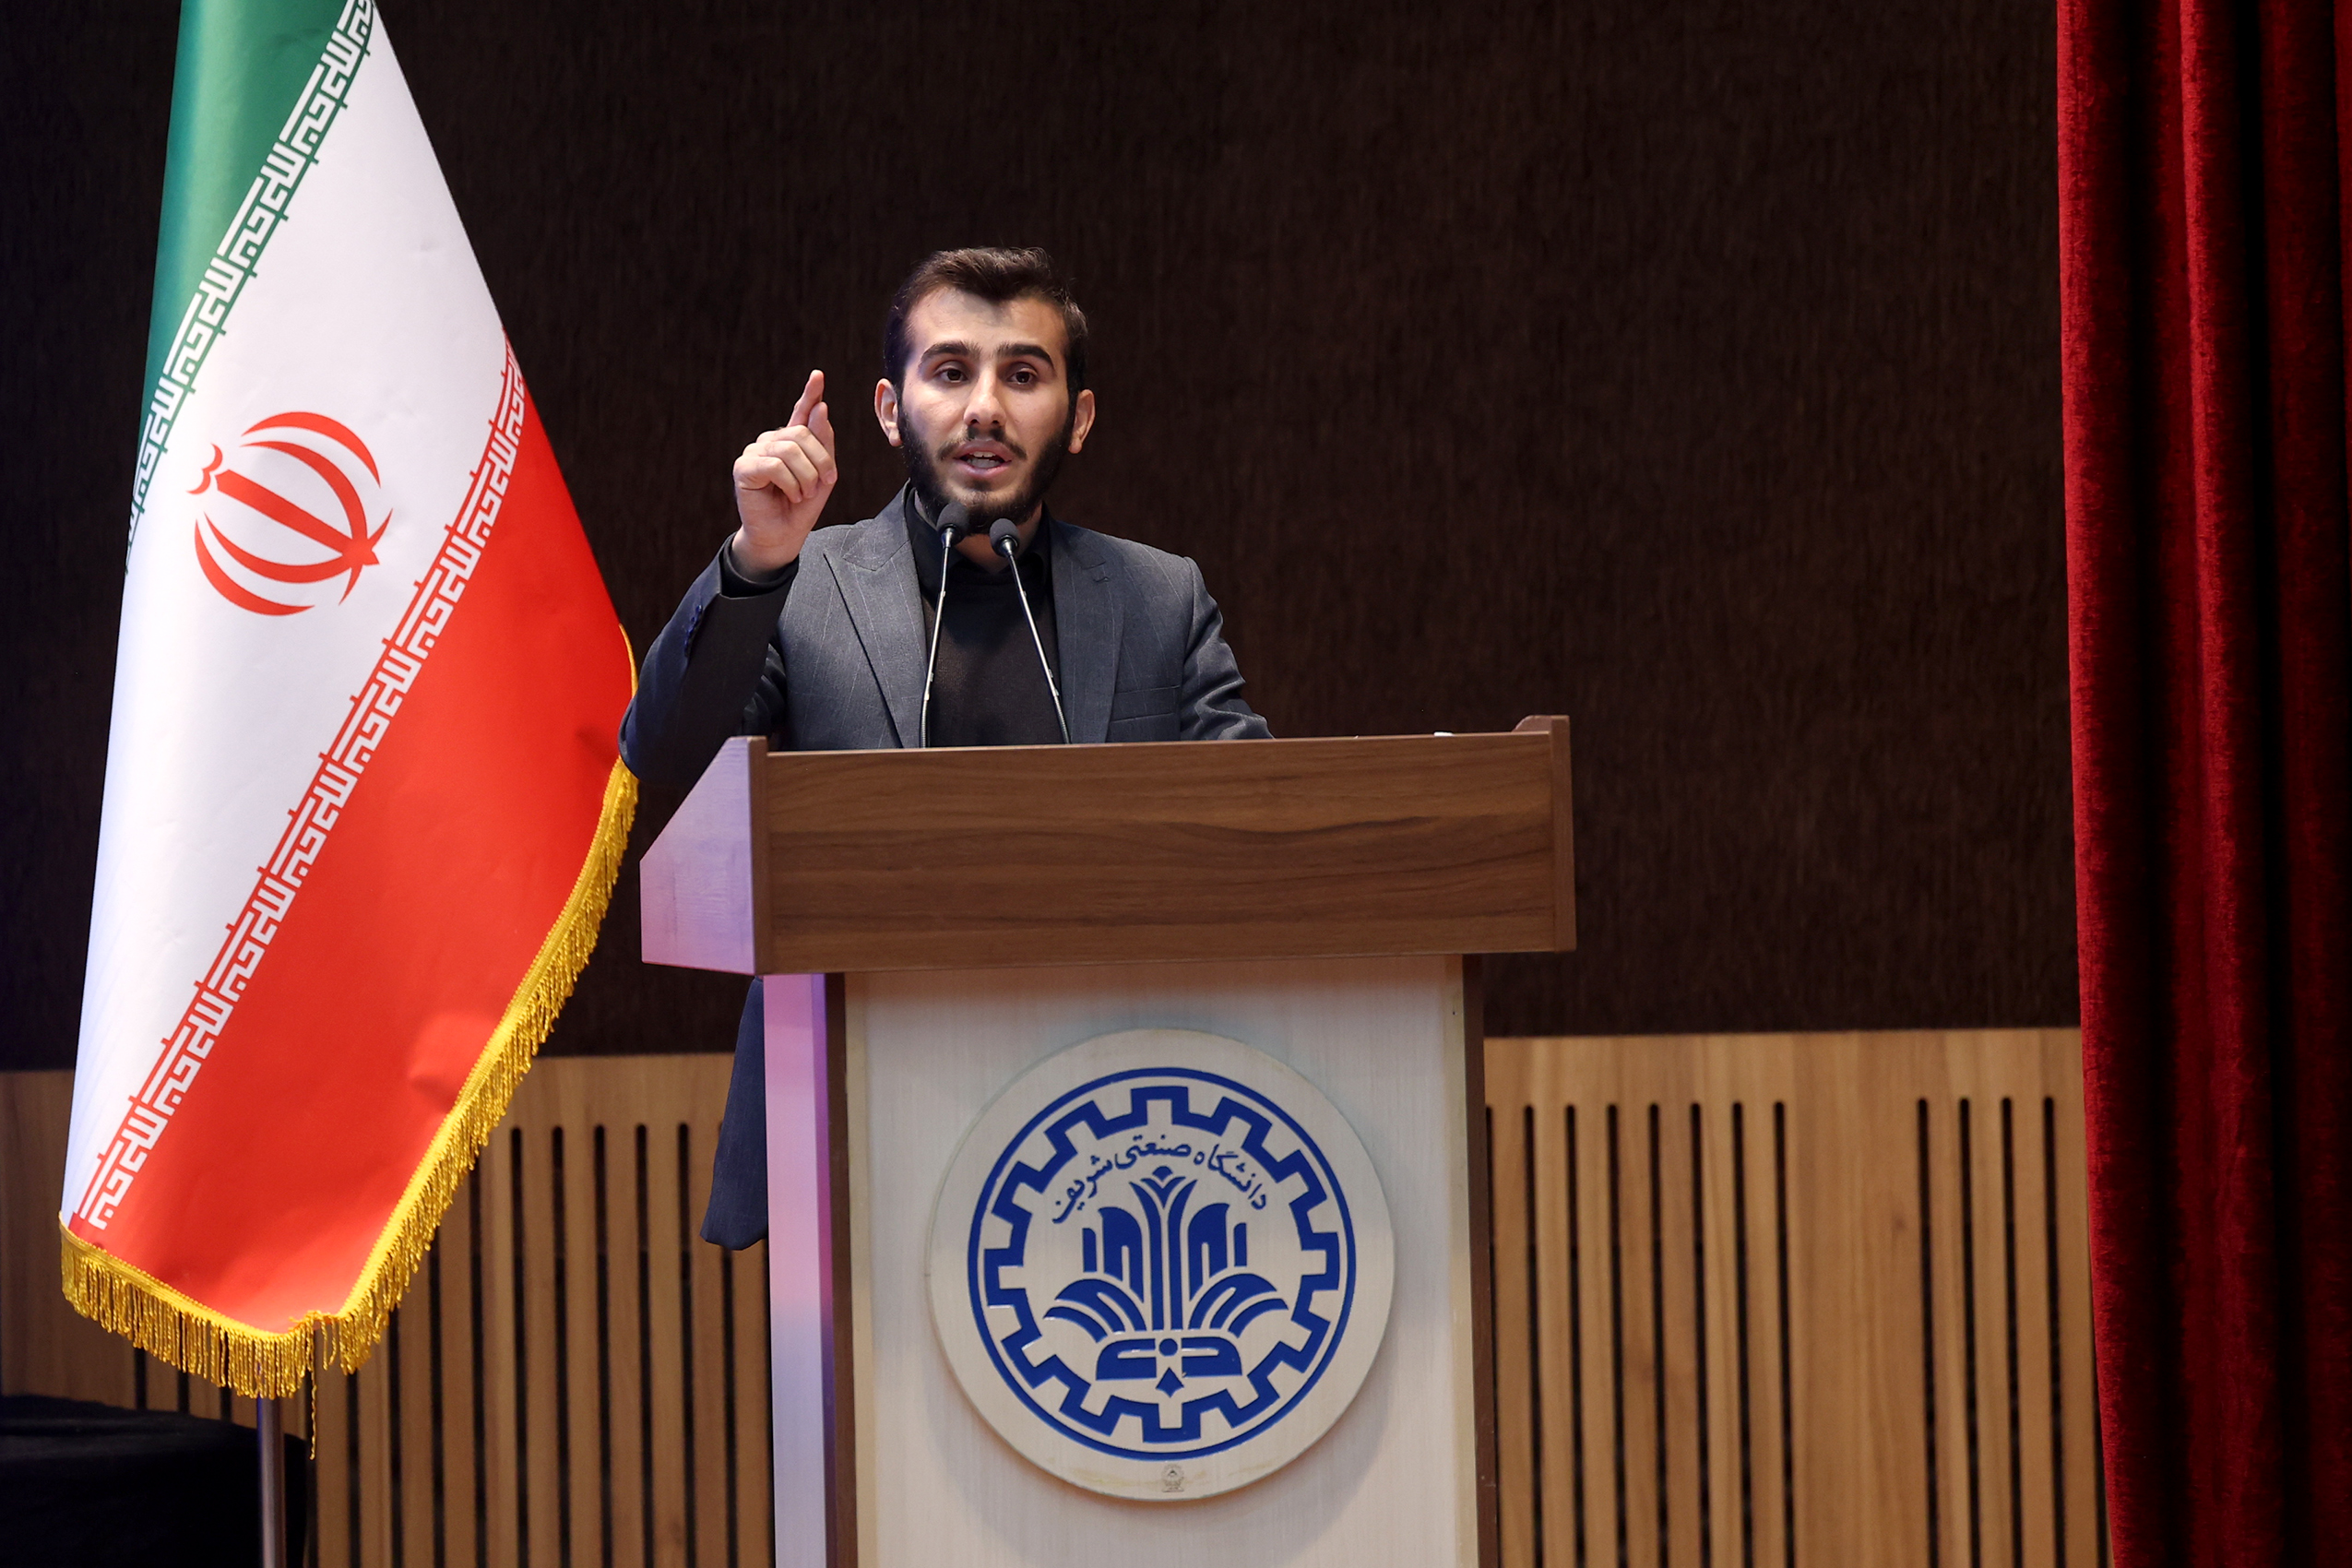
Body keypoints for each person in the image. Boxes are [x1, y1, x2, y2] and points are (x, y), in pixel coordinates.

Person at [621, 247, 1272, 1245]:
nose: (984, 408)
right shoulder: (803, 586)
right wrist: (757, 560)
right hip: (851, 1125)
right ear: (891, 410)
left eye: (1023, 374)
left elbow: (1262, 831)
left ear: (1079, 418)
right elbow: (665, 750)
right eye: (952, 371)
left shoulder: (1159, 598)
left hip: (1117, 1125)